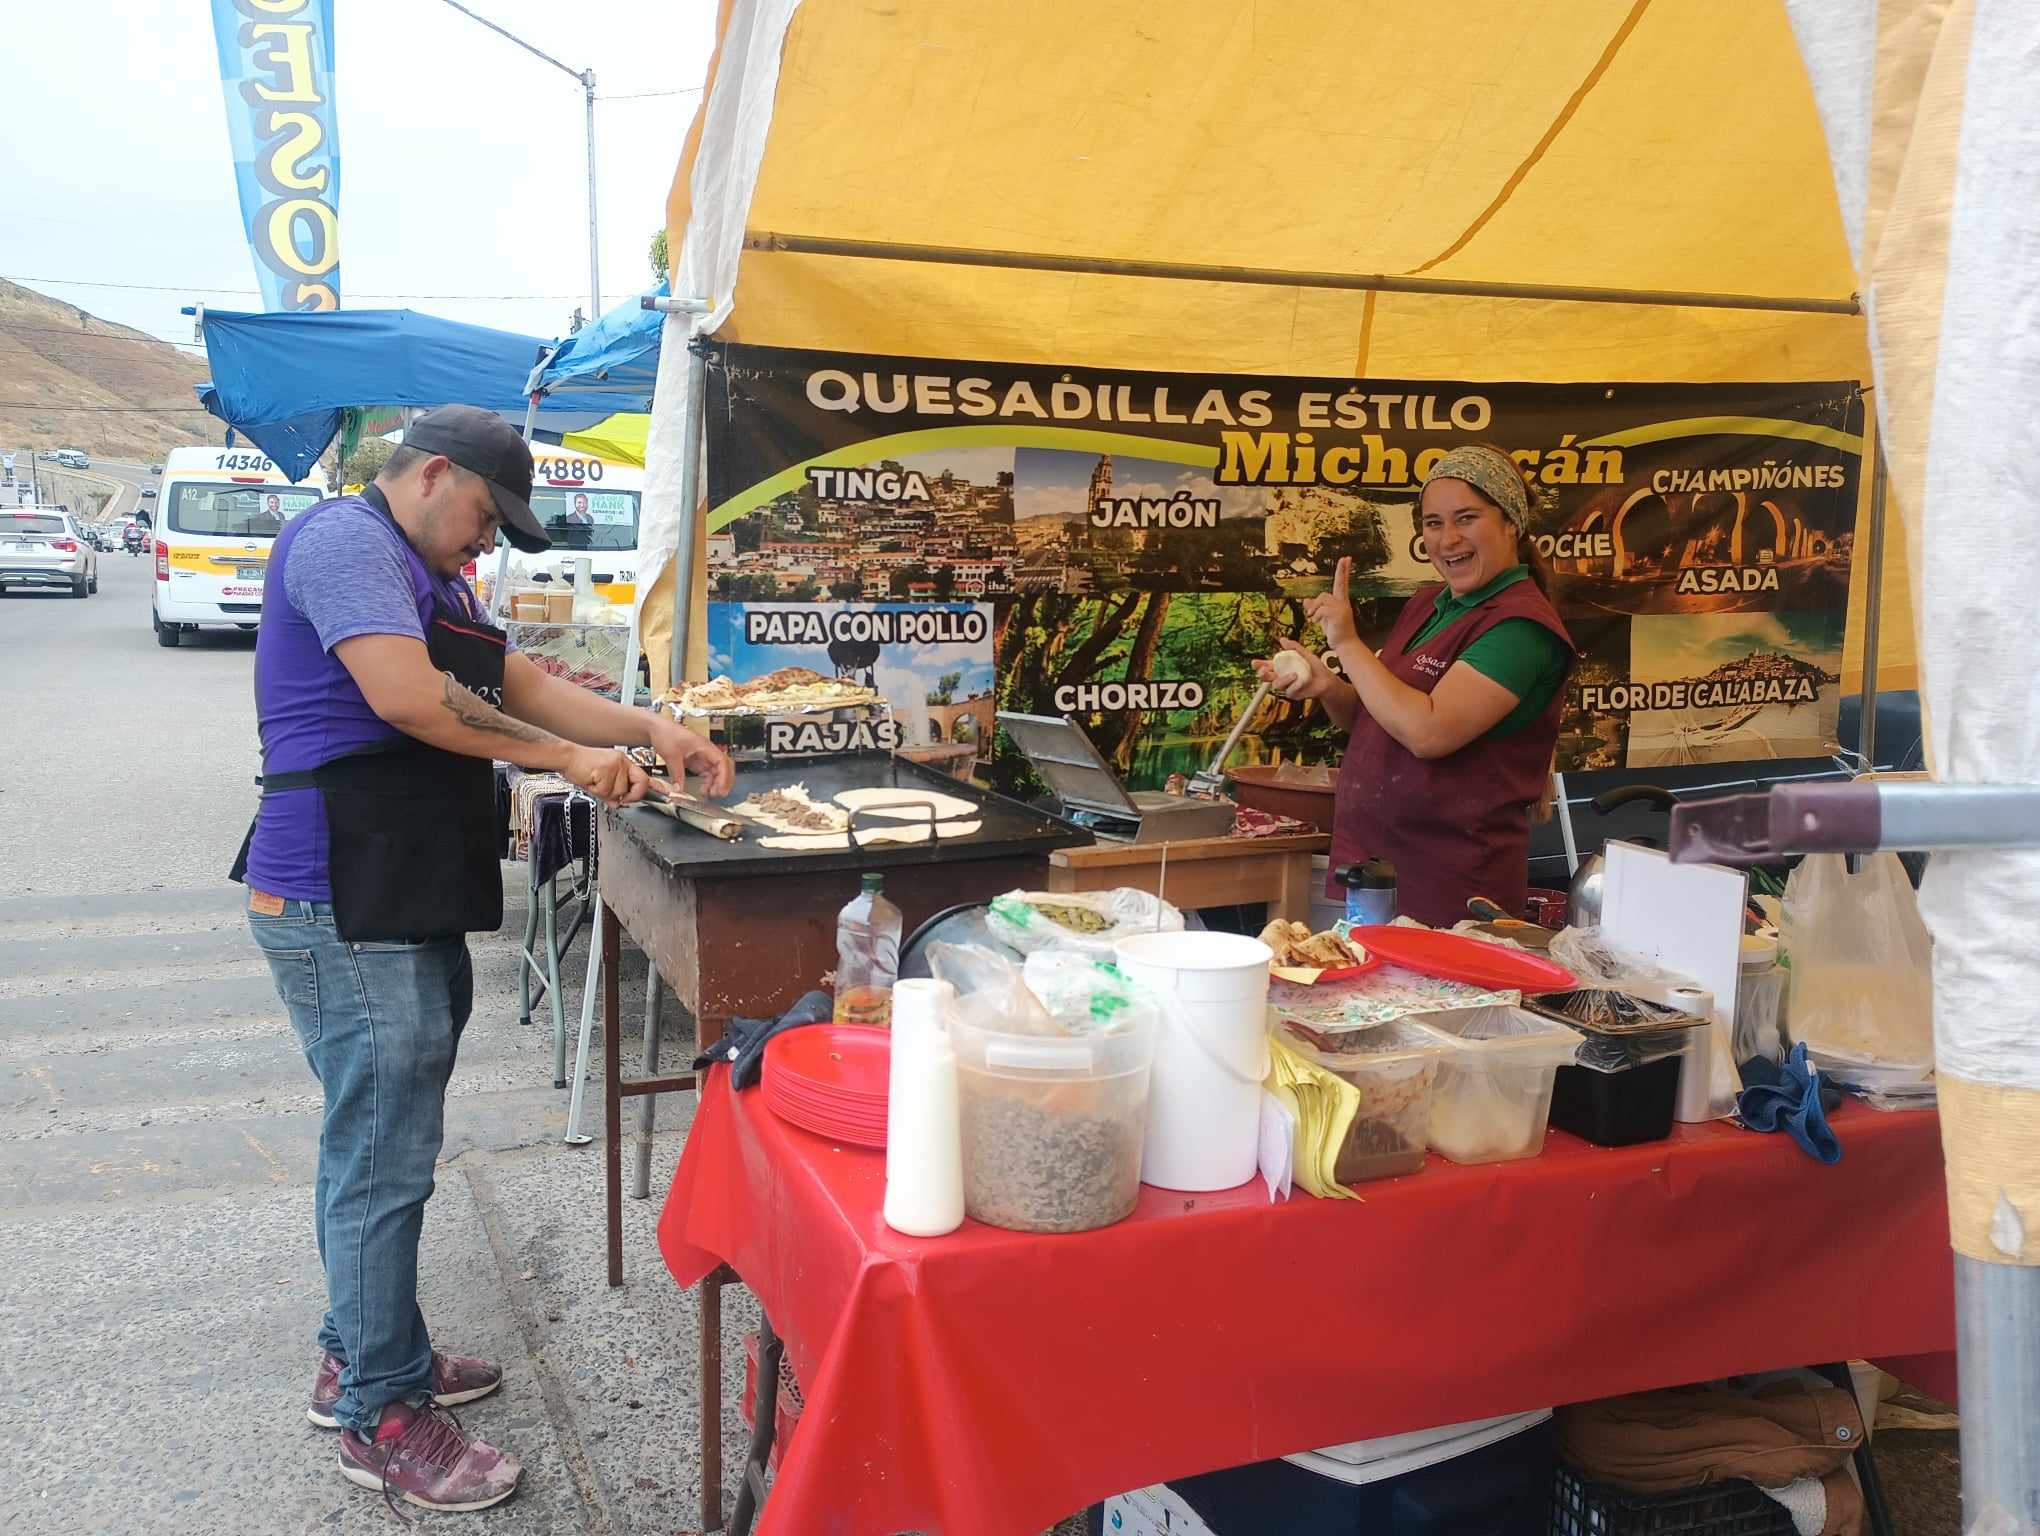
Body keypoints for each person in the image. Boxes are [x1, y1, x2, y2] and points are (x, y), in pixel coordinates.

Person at [232, 405, 733, 1516]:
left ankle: (364, 1352)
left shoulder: (435, 578)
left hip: (398, 889)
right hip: (339, 894)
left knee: (380, 1145)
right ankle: (381, 1417)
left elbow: (516, 684)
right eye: (485, 515)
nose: (489, 539)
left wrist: (648, 730)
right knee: (382, 1160)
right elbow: (409, 699)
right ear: (432, 474)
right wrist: (566, 762)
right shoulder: (346, 541)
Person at [1256, 444, 1574, 927]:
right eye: (1433, 523)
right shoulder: (1427, 604)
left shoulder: (1521, 628)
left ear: (1512, 522)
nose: (1448, 539)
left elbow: (1428, 732)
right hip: (1374, 872)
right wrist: (1328, 688)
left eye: (1466, 518)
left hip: (1452, 891)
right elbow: (1378, 720)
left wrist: (1347, 643)